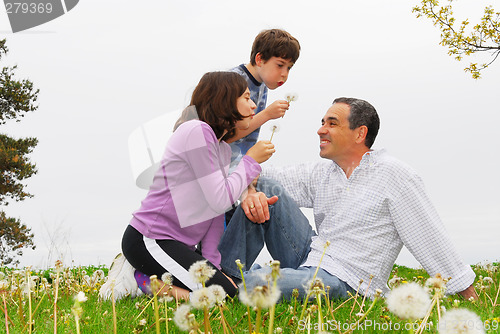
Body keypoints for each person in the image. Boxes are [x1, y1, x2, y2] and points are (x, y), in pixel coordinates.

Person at [218, 97, 478, 300]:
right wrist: (250, 192)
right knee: (264, 185)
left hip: (350, 282)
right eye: (322, 122)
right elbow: (258, 175)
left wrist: (463, 287)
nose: (321, 130)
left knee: (255, 285)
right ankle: (220, 274)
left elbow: (426, 232)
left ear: (359, 133)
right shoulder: (323, 172)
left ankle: (223, 287)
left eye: (332, 123)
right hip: (312, 257)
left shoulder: (394, 174)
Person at [118, 72, 275, 300]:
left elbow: (214, 212)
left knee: (227, 291)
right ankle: (142, 280)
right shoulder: (196, 131)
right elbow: (220, 198)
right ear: (225, 100)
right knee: (221, 295)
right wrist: (250, 161)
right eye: (246, 98)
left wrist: (214, 265)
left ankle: (157, 281)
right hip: (149, 239)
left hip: (175, 246)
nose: (253, 105)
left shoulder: (221, 149)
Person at [227, 28, 300, 167]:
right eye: (280, 65)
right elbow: (225, 136)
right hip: (218, 168)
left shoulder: (262, 85)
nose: (284, 74)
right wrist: (267, 114)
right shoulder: (233, 81)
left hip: (240, 166)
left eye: (289, 68)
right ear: (259, 59)